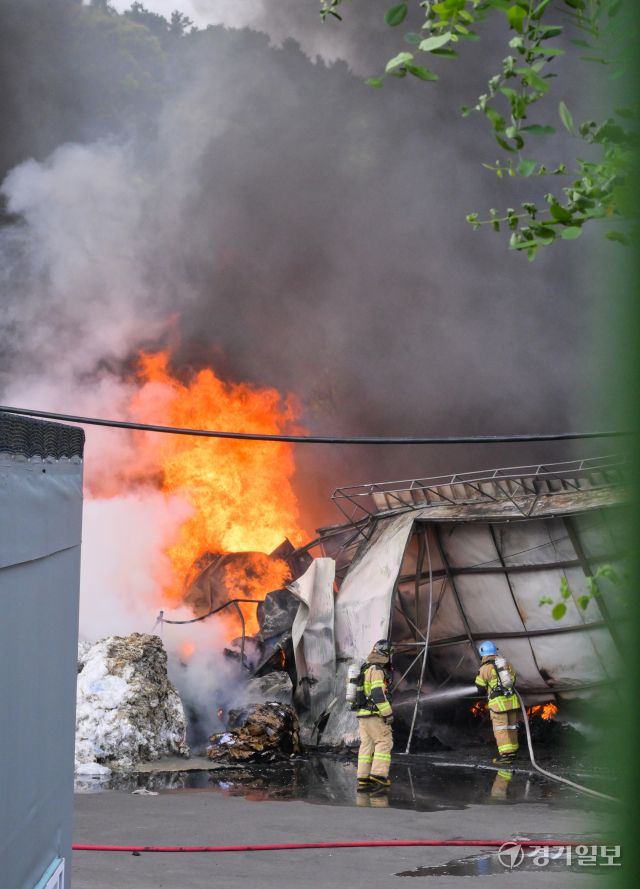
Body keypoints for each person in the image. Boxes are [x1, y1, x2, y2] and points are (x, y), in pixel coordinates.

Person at [356, 639, 394, 790]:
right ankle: (379, 775)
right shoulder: (377, 670)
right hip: (374, 714)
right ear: (385, 654)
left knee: (367, 745)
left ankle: (363, 778)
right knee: (384, 741)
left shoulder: (365, 668)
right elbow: (378, 694)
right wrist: (388, 713)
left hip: (363, 715)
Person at [474, 640, 520, 765]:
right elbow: (514, 679)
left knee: (501, 729)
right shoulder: (506, 664)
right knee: (512, 726)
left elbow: (479, 687)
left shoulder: (484, 668)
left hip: (498, 705)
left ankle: (506, 755)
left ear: (483, 654)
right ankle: (514, 751)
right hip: (512, 702)